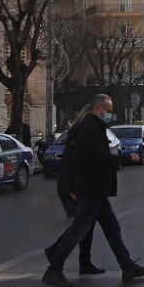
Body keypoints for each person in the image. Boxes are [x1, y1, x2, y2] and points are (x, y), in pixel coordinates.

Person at [41, 94, 144, 287]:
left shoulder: (91, 128)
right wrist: (127, 158)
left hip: (94, 188)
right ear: (98, 109)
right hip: (91, 188)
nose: (110, 115)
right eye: (108, 111)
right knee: (79, 230)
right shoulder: (90, 129)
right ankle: (54, 269)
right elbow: (99, 158)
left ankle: (127, 267)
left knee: (111, 228)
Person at [45, 104, 103, 275]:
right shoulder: (81, 132)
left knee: (87, 225)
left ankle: (84, 262)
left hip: (87, 186)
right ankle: (55, 260)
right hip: (78, 186)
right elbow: (73, 162)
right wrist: (71, 186)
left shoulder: (82, 130)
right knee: (80, 226)